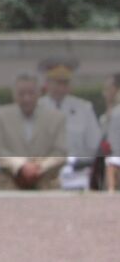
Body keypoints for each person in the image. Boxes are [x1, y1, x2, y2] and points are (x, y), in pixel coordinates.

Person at [0, 73, 68, 191]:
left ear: (40, 93)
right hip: (10, 187)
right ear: (14, 95)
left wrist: (39, 168)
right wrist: (21, 166)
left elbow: (61, 152)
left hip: (46, 187)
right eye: (21, 94)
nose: (26, 98)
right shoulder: (2, 116)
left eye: (31, 93)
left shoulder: (56, 118)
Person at [38, 61, 102, 190]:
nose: (61, 87)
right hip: (44, 174)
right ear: (47, 83)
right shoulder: (37, 108)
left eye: (65, 83)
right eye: (57, 82)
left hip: (77, 174)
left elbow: (94, 144)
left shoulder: (84, 108)